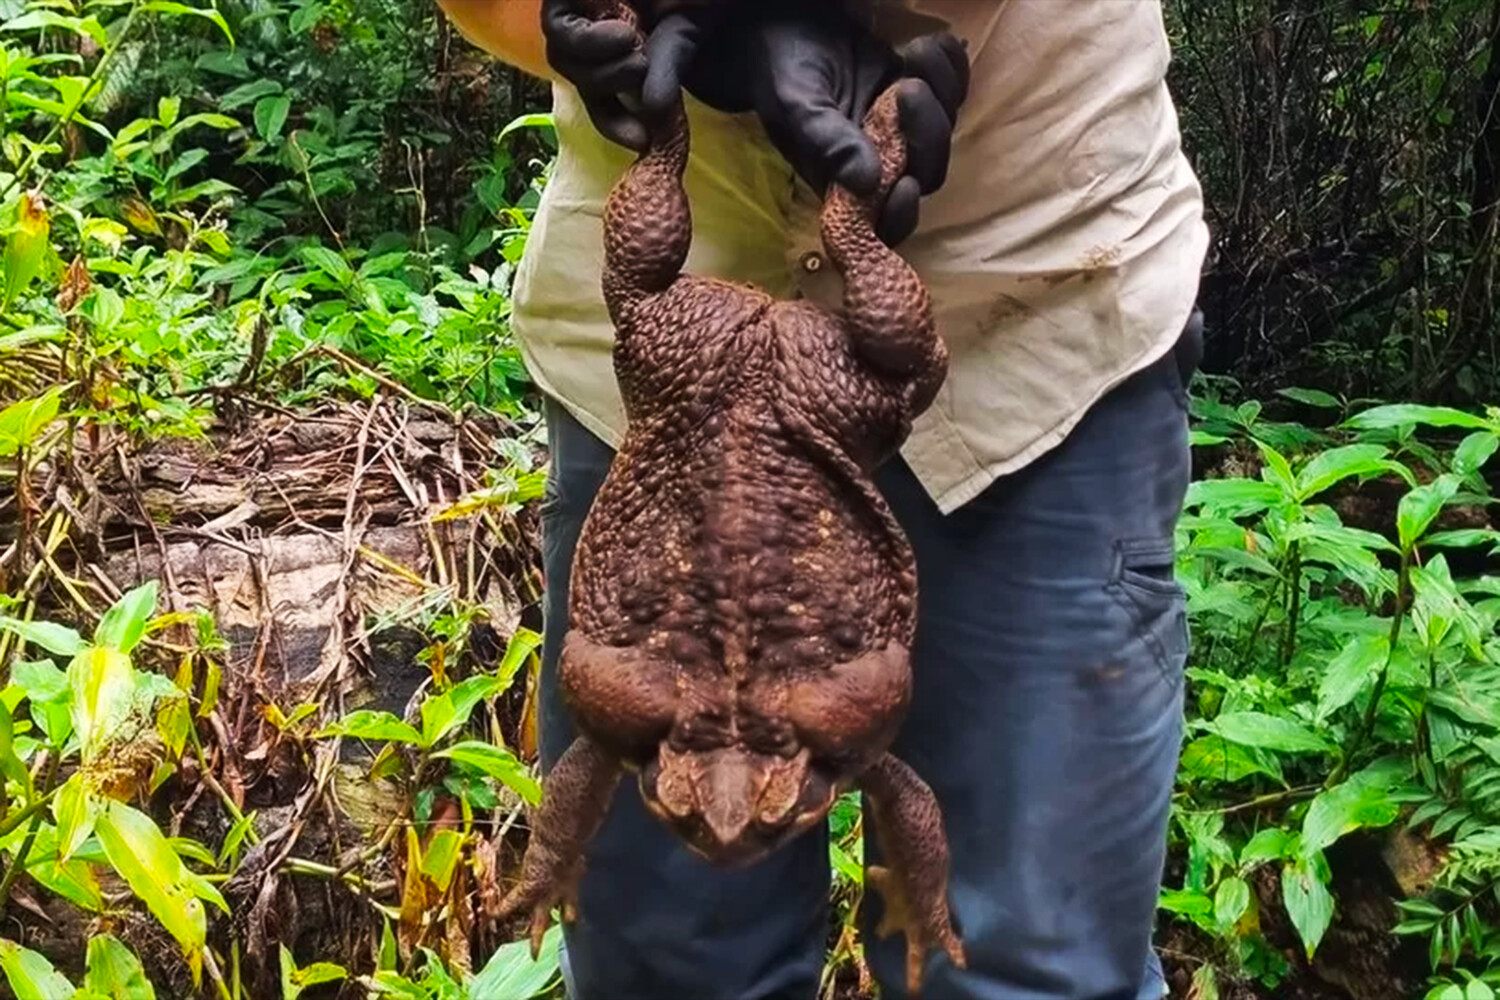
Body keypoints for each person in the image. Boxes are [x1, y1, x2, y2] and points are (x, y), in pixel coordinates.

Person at [435, 1, 1208, 998]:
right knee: (663, 970)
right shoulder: (701, 723)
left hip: (1026, 299)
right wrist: (623, 28)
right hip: (668, 370)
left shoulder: (821, 728)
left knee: (1019, 965)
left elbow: (891, 779)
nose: (722, 821)